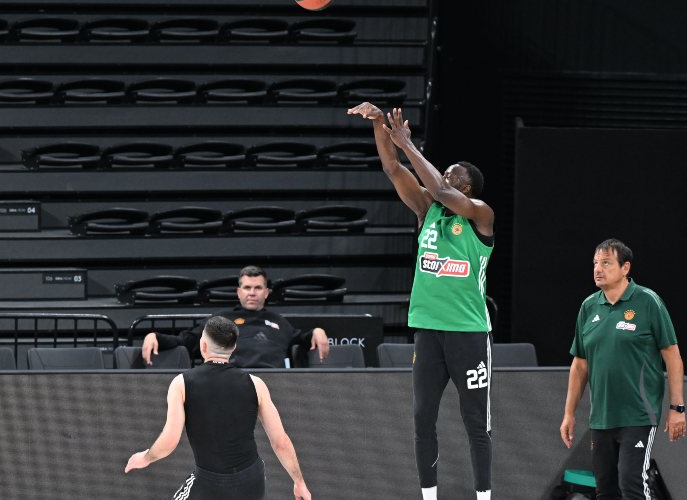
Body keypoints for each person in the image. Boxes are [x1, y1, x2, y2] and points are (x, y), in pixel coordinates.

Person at [348, 102, 494, 500]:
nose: (441, 177)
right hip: (429, 330)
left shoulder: (480, 215)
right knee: (421, 417)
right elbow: (393, 169)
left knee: (475, 422)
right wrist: (381, 125)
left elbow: (440, 187)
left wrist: (409, 145)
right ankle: (429, 496)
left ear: (465, 188)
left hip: (468, 332)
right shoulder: (427, 211)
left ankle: (484, 496)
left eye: (450, 175)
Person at [124, 316, 312, 500]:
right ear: (234, 348)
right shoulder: (255, 384)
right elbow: (281, 442)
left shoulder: (182, 383)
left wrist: (146, 457)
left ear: (203, 346)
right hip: (252, 479)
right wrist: (299, 482)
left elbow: (170, 440)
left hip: (210, 482)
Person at [560, 239, 686, 500]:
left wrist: (677, 409)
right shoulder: (589, 307)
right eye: (595, 263)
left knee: (632, 484)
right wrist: (569, 413)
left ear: (625, 267)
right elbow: (580, 364)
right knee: (605, 490)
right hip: (602, 417)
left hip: (638, 414)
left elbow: (672, 355)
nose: (598, 269)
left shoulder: (648, 302)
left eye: (606, 263)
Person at [141, 266, 329, 368]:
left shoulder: (279, 322)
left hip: (273, 384)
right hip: (232, 381)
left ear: (267, 292)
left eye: (258, 288)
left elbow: (301, 339)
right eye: (247, 288)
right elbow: (186, 340)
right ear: (239, 292)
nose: (252, 293)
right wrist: (155, 336)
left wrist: (317, 331)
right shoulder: (222, 319)